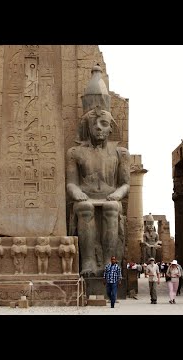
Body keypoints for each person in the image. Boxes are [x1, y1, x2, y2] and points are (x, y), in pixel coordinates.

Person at [66, 66, 130, 277]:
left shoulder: (120, 152)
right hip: (86, 196)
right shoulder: (75, 152)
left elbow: (125, 184)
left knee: (112, 208)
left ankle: (110, 262)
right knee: (84, 207)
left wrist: (118, 193)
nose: (100, 128)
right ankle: (89, 261)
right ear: (87, 126)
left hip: (110, 195)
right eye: (96, 124)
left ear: (111, 128)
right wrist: (76, 192)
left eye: (104, 124)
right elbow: (72, 183)